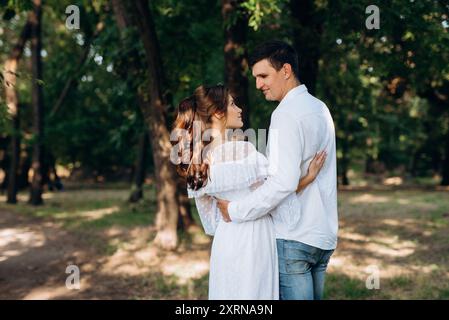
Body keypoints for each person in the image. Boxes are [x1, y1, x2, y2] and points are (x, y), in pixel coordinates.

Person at [171, 84, 326, 300]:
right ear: (217, 112)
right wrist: (308, 177)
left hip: (226, 240)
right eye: (232, 104)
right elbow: (276, 194)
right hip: (254, 239)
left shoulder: (199, 163)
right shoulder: (243, 150)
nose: (239, 109)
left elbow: (211, 220)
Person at [216, 40, 338, 300]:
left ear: (285, 70)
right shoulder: (320, 109)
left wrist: (235, 210)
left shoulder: (285, 114)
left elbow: (282, 182)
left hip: (294, 237)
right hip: (322, 234)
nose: (259, 84)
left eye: (263, 76)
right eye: (256, 78)